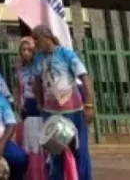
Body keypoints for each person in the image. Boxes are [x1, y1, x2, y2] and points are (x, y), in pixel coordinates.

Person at [31, 25, 94, 180]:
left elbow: (84, 78)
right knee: (55, 153)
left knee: (80, 151)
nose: (35, 43)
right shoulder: (38, 58)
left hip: (73, 112)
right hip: (51, 113)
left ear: (47, 36)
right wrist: (39, 103)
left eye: (36, 39)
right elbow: (37, 81)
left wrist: (89, 105)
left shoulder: (66, 54)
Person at [14, 37, 46, 180]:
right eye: (23, 50)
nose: (26, 53)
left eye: (29, 50)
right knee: (29, 143)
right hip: (27, 109)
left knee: (41, 143)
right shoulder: (20, 69)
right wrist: (19, 105)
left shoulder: (41, 66)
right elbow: (19, 89)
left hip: (41, 107)